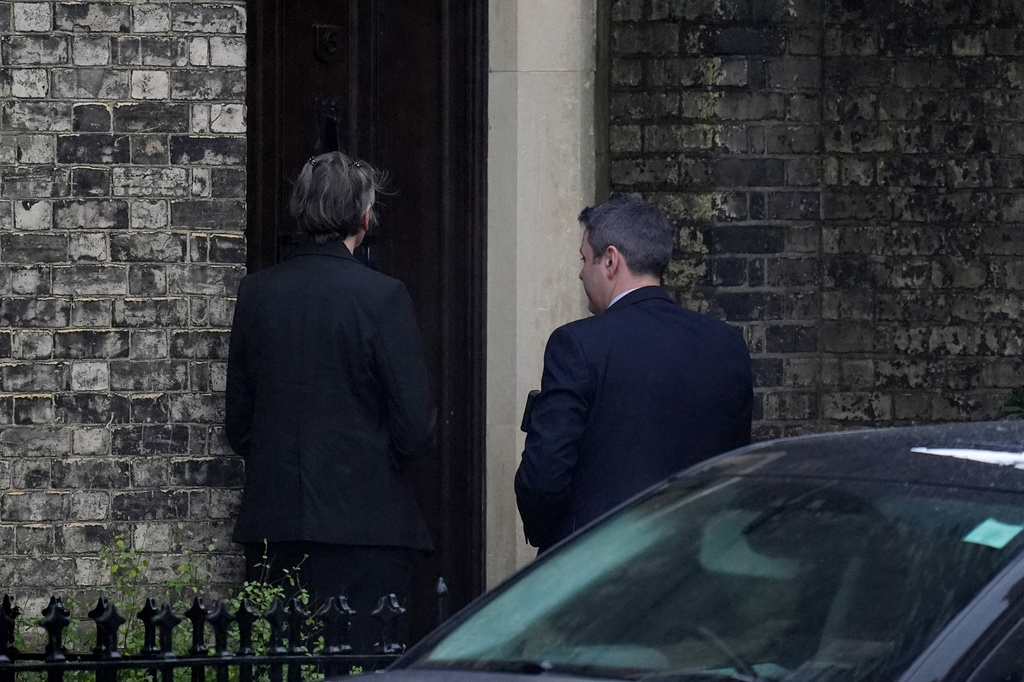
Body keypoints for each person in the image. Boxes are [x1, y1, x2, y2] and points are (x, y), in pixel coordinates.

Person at [225, 151, 435, 651]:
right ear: (365, 218)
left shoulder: (257, 293)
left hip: (276, 526)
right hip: (366, 529)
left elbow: (239, 425)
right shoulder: (382, 296)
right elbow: (415, 428)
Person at [515, 194, 754, 553]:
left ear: (610, 260)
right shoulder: (727, 345)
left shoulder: (578, 344)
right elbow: (735, 472)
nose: (581, 272)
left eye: (585, 259)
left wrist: (551, 541)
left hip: (596, 566)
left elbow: (543, 477)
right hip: (695, 562)